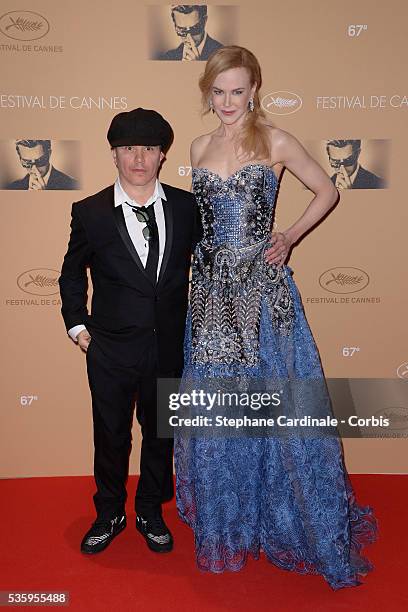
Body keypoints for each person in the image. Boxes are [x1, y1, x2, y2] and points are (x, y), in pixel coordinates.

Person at [174, 46, 378, 589]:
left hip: (264, 295)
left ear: (254, 90)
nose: (226, 102)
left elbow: (328, 190)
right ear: (208, 93)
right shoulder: (196, 147)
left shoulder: (276, 140)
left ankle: (288, 519)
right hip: (212, 296)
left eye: (236, 91)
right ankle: (232, 523)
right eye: (217, 91)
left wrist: (288, 236)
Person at [59, 108, 200, 555]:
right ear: (114, 155)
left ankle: (151, 510)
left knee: (161, 433)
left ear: (162, 156)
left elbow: (213, 265)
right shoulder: (91, 211)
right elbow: (70, 273)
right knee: (111, 434)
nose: (138, 158)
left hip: (168, 347)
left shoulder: (186, 206)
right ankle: (109, 512)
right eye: (128, 149)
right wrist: (77, 325)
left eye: (149, 149)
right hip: (111, 348)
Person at [157, 5, 223, 61]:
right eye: (182, 30)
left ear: (204, 21)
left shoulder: (222, 54)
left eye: (194, 29)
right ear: (175, 26)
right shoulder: (168, 57)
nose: (189, 38)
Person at [6, 139, 78, 190]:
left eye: (40, 161)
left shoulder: (73, 185)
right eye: (27, 162)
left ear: (49, 154)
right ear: (20, 159)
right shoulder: (13, 187)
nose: (35, 169)